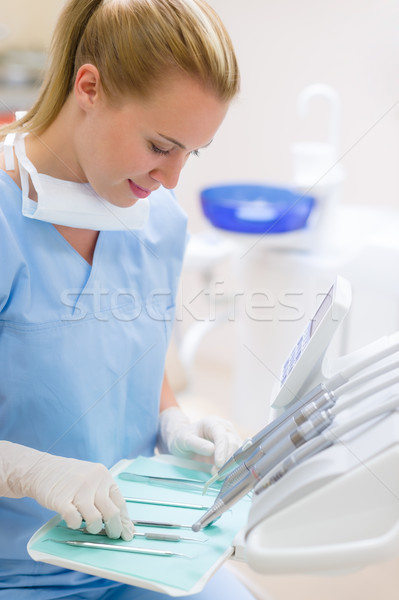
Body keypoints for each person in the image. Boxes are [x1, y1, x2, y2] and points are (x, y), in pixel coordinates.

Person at [0, 0, 255, 598]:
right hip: (19, 572)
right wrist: (30, 470)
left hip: (134, 551)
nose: (172, 179)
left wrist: (174, 421)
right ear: (89, 86)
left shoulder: (156, 219)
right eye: (161, 145)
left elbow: (133, 357)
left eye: (193, 152)